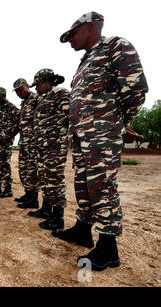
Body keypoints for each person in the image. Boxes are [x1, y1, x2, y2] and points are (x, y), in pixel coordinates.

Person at [53, 12, 149, 271]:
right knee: (84, 184)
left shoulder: (116, 46)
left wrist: (118, 122)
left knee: (102, 186)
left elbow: (136, 88)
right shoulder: (86, 60)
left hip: (101, 134)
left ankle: (108, 249)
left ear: (90, 25)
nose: (70, 40)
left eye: (72, 34)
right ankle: (83, 229)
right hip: (83, 136)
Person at [30, 69, 70, 231]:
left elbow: (70, 115)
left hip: (54, 147)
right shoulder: (45, 98)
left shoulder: (60, 93)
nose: (35, 88)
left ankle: (57, 216)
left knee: (54, 179)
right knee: (45, 178)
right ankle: (46, 209)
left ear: (47, 82)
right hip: (44, 147)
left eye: (37, 84)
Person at [12, 78, 41, 212]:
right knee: (23, 169)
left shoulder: (36, 98)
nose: (19, 92)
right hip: (24, 141)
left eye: (21, 89)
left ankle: (33, 199)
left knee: (32, 170)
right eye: (17, 91)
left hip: (33, 142)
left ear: (27, 86)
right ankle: (28, 194)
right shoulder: (24, 103)